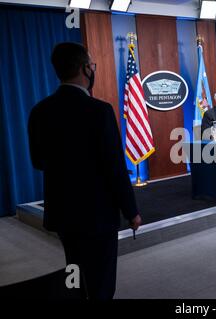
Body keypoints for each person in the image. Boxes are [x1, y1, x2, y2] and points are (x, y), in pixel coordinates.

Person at [27, 42, 141, 299]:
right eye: (92, 64)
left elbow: (38, 162)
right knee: (101, 282)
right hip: (97, 215)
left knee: (75, 273)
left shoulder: (39, 112)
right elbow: (115, 168)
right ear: (85, 69)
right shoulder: (99, 111)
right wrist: (131, 211)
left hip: (63, 214)